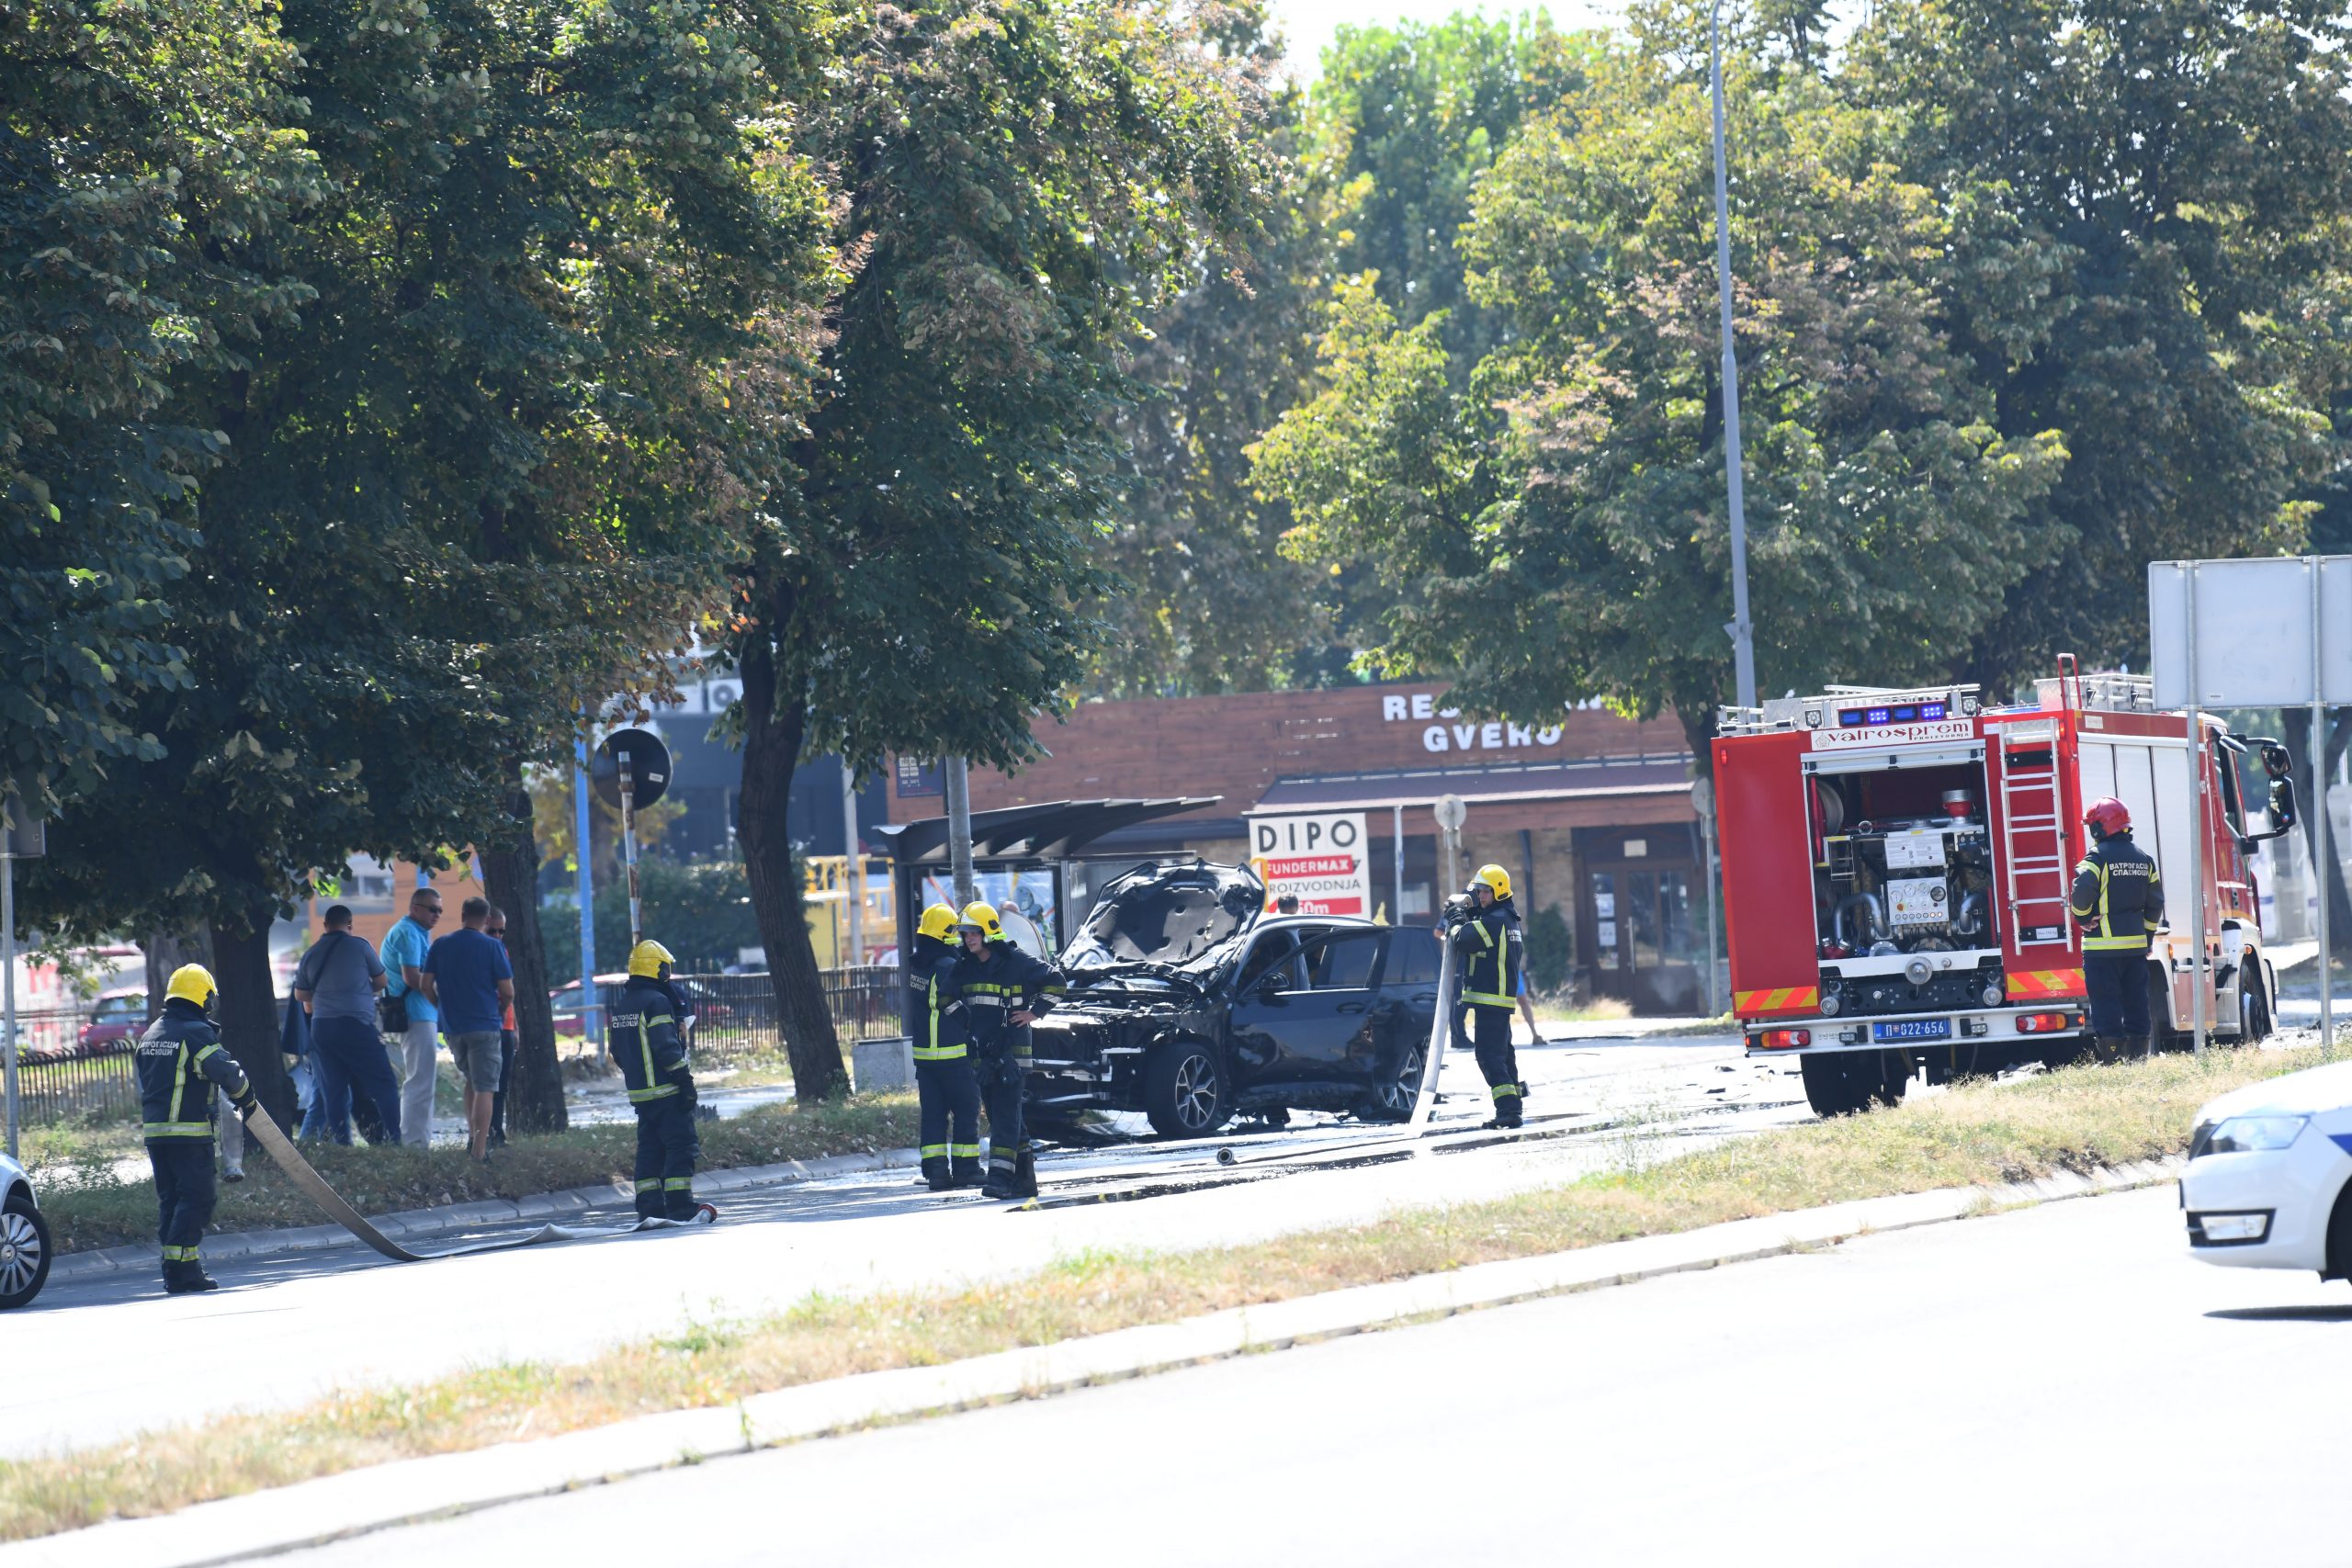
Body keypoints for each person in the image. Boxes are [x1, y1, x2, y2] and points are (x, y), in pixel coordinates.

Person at [136, 964, 255, 1293]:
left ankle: (175, 1269)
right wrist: (248, 1101)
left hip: (156, 1134)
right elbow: (227, 1074)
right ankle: (182, 1269)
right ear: (204, 998)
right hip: (188, 1134)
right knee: (199, 1197)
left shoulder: (152, 1034)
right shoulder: (194, 1032)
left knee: (171, 1201)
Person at [956, 901, 1065, 1200]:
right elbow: (950, 999)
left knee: (1004, 1117)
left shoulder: (1017, 961)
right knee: (1005, 1116)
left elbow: (1056, 982)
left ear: (988, 932)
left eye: (974, 933)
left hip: (1013, 1054)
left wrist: (1035, 1012)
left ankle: (1001, 1180)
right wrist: (968, 1023)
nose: (969, 939)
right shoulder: (967, 966)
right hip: (984, 1053)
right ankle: (1025, 1181)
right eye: (965, 934)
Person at [608, 940, 715, 1223]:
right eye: (666, 968)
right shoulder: (657, 1002)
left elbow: (616, 1051)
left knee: (650, 1149)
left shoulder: (623, 1006)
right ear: (659, 969)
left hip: (641, 1095)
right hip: (666, 1090)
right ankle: (680, 1205)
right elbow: (666, 1047)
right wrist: (685, 1081)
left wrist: (637, 1076)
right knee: (681, 1145)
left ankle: (649, 1207)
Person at [293, 904, 402, 1145]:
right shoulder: (360, 946)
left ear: (325, 925)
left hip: (322, 1028)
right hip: (356, 1025)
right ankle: (395, 1139)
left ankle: (342, 1144)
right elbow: (381, 981)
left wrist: (326, 994)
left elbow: (301, 995)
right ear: (350, 924)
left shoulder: (311, 953)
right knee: (384, 1082)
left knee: (334, 1089)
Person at [2069, 796, 2165, 1062]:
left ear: (2100, 828)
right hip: (2135, 949)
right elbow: (2155, 904)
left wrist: (2083, 918)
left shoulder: (2096, 860)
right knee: (2137, 1002)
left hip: (2101, 951)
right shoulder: (2144, 860)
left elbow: (2080, 897)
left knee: (2105, 1004)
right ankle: (2137, 1058)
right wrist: (2146, 938)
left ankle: (2112, 1060)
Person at [421, 896, 514, 1161]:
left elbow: (425, 985)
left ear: (462, 914)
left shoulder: (440, 945)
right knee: (486, 1087)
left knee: (472, 1081)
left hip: (454, 1027)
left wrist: (440, 1008)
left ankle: (472, 1137)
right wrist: (498, 1012)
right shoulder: (493, 947)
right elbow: (508, 992)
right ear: (486, 920)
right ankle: (480, 1152)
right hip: (484, 1024)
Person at [907, 903, 982, 1190]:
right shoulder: (948, 967)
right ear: (946, 934)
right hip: (953, 1054)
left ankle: (936, 1172)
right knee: (966, 1110)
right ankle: (967, 1169)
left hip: (925, 1059)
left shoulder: (918, 965)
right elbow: (955, 1004)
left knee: (934, 1116)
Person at [1449, 863, 1527, 1129]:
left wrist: (1456, 919)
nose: (1480, 896)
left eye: (1485, 891)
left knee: (1488, 1056)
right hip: (1499, 1001)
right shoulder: (1508, 919)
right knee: (1504, 1055)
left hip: (1490, 1000)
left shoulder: (1494, 922)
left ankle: (1508, 1111)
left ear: (1499, 891)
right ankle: (1514, 1104)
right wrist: (1471, 913)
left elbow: (1461, 940)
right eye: (1478, 891)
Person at [378, 886, 444, 1147]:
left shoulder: (414, 932)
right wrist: (441, 998)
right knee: (420, 1081)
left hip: (416, 1013)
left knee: (421, 1080)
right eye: (432, 909)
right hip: (416, 1014)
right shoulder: (409, 933)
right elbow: (413, 978)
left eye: (440, 910)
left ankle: (417, 1140)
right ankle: (415, 1143)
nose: (437, 915)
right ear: (415, 908)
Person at [485, 907, 519, 1148]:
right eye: (492, 930)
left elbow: (509, 993)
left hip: (505, 1026)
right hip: (490, 1024)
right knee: (489, 1084)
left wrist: (514, 1027)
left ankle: (496, 1130)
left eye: (501, 931)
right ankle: (489, 1132)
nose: (497, 935)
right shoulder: (482, 951)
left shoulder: (501, 950)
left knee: (502, 1085)